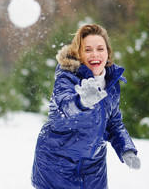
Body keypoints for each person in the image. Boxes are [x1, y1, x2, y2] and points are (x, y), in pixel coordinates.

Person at [31, 24, 140, 189]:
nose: (95, 54)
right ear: (79, 54)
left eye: (100, 49)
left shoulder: (112, 83)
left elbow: (113, 123)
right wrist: (81, 102)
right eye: (88, 50)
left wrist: (127, 149)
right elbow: (61, 110)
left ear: (108, 53)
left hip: (94, 167)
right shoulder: (67, 77)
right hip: (57, 164)